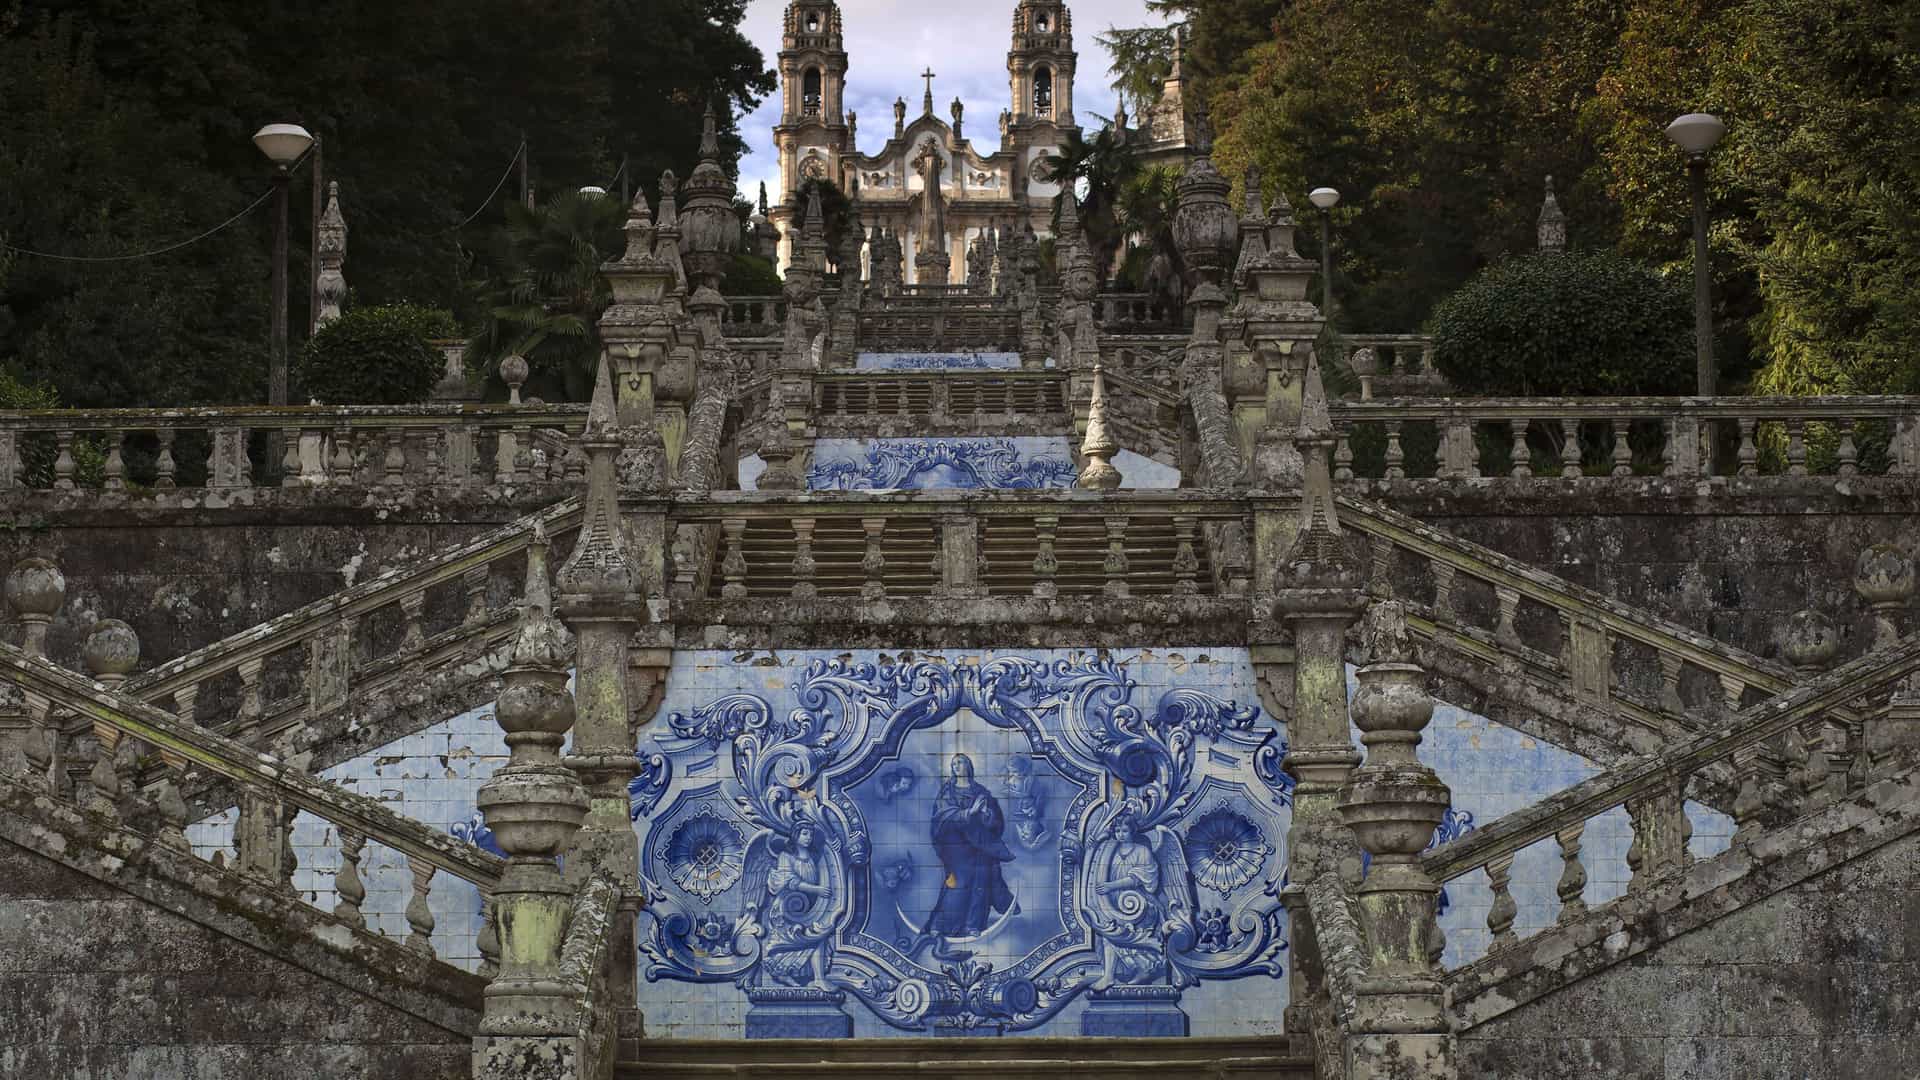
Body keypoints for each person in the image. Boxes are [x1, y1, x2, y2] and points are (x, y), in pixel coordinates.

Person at [907, 754, 1016, 959]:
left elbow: (995, 821)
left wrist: (986, 815)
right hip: (956, 845)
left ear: (969, 766)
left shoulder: (981, 792)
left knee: (981, 881)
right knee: (957, 883)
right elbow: (942, 816)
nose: (958, 766)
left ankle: (973, 925)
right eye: (954, 763)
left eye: (961, 762)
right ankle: (941, 925)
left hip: (980, 844)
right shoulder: (947, 792)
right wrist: (969, 813)